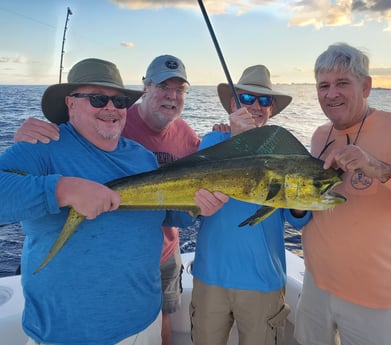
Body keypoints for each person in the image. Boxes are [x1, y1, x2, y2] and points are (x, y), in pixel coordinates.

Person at [0, 57, 228, 345]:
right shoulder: (41, 147)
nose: (111, 108)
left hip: (145, 321)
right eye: (98, 99)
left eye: (119, 101)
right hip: (68, 332)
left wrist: (197, 207)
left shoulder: (142, 156)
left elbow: (169, 214)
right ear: (71, 103)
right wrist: (63, 189)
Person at [294, 42, 391, 345]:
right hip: (316, 284)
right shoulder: (319, 135)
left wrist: (379, 168)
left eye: (342, 83)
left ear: (366, 86)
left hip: (379, 300)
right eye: (323, 85)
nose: (331, 93)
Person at [189, 64, 312, 345]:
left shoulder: (285, 152)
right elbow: (197, 195)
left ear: (271, 109)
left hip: (264, 281)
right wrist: (236, 138)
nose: (256, 105)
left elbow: (298, 219)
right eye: (247, 98)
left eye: (264, 100)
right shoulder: (212, 141)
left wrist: (301, 198)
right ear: (234, 104)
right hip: (210, 277)